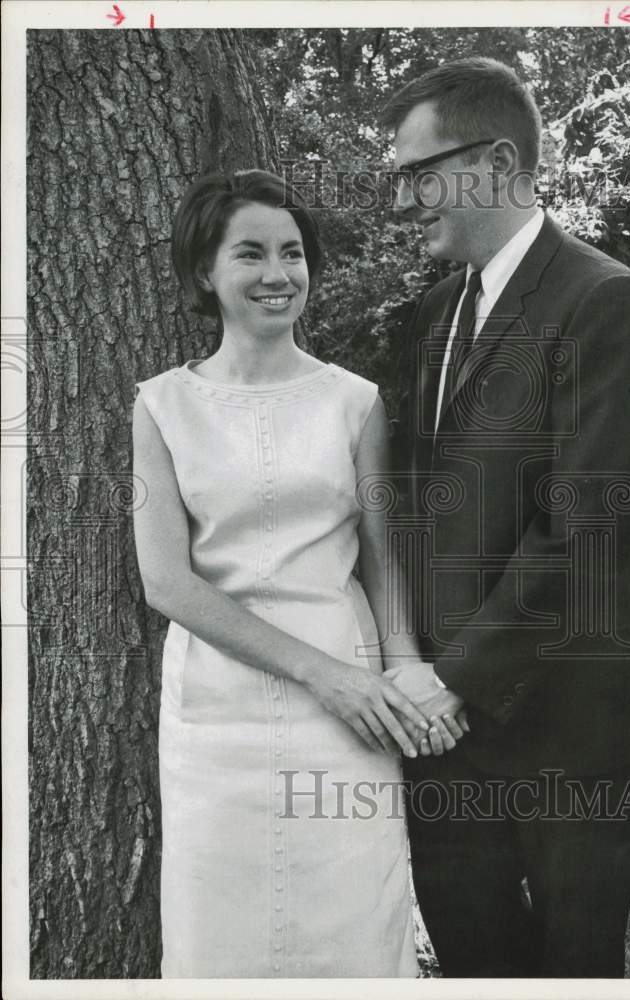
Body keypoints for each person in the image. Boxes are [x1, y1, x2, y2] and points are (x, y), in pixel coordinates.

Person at [381, 58, 630, 977]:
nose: (403, 201)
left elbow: (588, 527)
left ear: (497, 160)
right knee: (475, 968)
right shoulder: (430, 318)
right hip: (443, 741)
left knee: (573, 972)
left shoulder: (606, 302)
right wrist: (411, 674)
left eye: (419, 174)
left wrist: (455, 679)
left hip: (566, 732)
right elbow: (411, 511)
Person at [132, 169, 456, 977]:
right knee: (221, 938)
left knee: (354, 923)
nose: (278, 275)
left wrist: (403, 666)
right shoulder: (161, 406)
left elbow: (383, 556)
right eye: (251, 254)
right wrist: (323, 675)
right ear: (205, 272)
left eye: (292, 253)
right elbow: (167, 582)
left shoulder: (356, 403)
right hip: (217, 715)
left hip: (351, 716)